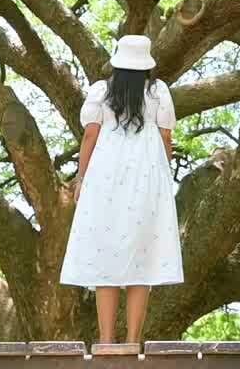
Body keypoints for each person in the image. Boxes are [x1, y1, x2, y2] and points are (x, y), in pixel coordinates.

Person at [59, 34, 183, 345]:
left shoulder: (102, 91)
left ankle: (105, 341)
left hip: (106, 175)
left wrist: (81, 178)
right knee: (141, 259)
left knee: (106, 256)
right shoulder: (158, 91)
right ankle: (132, 341)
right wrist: (163, 177)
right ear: (146, 66)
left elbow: (89, 136)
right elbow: (166, 137)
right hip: (147, 176)